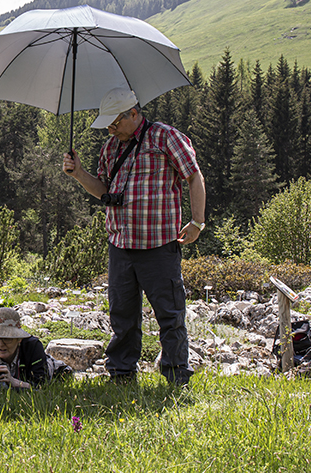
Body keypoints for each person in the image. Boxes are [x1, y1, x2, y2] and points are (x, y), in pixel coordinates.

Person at [62, 87, 206, 385]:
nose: (112, 130)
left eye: (116, 123)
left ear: (134, 114)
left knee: (170, 314)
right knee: (122, 317)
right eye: (108, 125)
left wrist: (197, 221)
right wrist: (78, 173)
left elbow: (193, 175)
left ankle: (177, 375)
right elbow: (104, 191)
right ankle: (122, 375)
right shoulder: (110, 148)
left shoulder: (165, 137)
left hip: (159, 245)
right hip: (120, 244)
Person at [0, 307, 70, 390]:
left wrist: (14, 382)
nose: (0, 345)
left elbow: (41, 385)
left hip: (53, 368)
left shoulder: (33, 347)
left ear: (19, 339)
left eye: (7, 339)